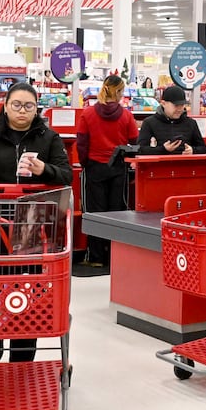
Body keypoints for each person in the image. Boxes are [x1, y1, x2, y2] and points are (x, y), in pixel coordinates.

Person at [0, 82, 71, 362]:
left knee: (28, 285)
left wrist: (45, 170)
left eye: (29, 106)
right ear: (5, 106)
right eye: (16, 105)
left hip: (34, 225)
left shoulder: (49, 138)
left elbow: (65, 175)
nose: (22, 111)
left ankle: (23, 349)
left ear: (36, 109)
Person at [75, 75, 139, 267]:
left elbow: (82, 143)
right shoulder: (126, 116)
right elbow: (135, 141)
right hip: (118, 168)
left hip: (95, 168)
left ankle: (95, 257)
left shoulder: (88, 114)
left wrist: (85, 163)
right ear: (119, 92)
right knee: (117, 213)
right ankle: (114, 257)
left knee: (96, 213)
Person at [137, 85, 206, 156]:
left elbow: (203, 148)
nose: (180, 109)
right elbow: (140, 149)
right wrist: (163, 149)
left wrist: (192, 150)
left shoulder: (191, 123)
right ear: (163, 103)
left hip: (186, 165)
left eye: (182, 105)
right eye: (176, 105)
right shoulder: (149, 123)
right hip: (158, 166)